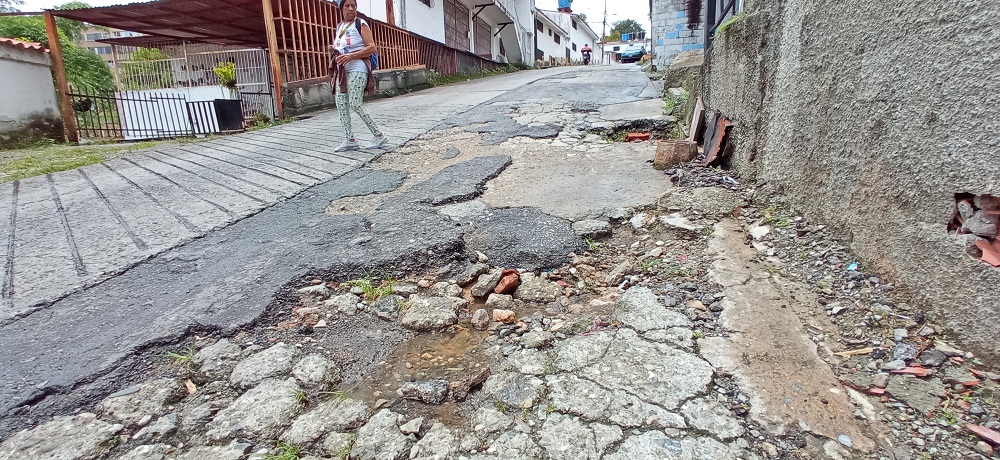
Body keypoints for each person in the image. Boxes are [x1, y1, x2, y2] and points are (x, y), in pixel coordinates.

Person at [330, 0, 387, 151]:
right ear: (341, 8)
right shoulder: (340, 27)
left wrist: (351, 56)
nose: (350, 9)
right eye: (347, 6)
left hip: (358, 68)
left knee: (355, 103)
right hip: (342, 70)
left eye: (353, 6)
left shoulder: (360, 23)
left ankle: (379, 136)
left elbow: (372, 48)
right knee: (341, 103)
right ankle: (350, 140)